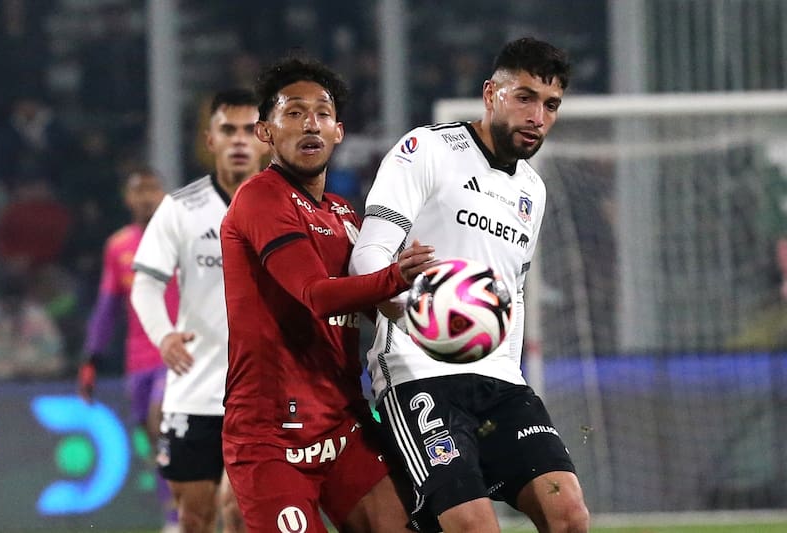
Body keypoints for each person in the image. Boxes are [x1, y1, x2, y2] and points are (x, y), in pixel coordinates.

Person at [349, 37, 590, 532]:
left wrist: (512, 366)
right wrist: (399, 298)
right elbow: (368, 253)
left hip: (500, 381)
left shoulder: (532, 190)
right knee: (474, 527)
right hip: (418, 372)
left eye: (550, 105)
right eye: (523, 97)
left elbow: (513, 294)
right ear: (490, 94)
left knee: (569, 515)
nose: (537, 116)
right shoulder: (426, 150)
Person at [219, 57, 435, 533]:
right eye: (293, 113)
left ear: (338, 131)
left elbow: (377, 305)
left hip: (342, 423)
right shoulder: (260, 198)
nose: (309, 123)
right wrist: (397, 276)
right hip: (271, 436)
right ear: (265, 132)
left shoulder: (344, 214)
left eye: (321, 113)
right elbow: (316, 295)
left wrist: (437, 315)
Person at [130, 88, 270, 533]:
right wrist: (163, 335)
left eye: (250, 130)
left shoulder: (287, 205)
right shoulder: (180, 208)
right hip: (194, 389)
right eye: (228, 130)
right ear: (210, 140)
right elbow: (146, 285)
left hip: (263, 393)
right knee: (195, 517)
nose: (239, 141)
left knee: (238, 507)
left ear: (265, 137)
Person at [76, 167, 179, 532]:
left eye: (153, 189)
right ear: (127, 198)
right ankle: (177, 508)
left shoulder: (182, 238)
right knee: (156, 439)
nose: (146, 197)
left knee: (161, 419)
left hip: (179, 356)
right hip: (138, 360)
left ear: (164, 194)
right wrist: (91, 358)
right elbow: (107, 307)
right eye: (139, 191)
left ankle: (178, 518)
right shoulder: (118, 246)